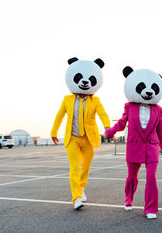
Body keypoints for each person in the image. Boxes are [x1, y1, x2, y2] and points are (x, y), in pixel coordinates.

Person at [104, 66, 162, 219]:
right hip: (134, 146)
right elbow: (121, 123)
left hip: (152, 147)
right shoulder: (129, 106)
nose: (148, 91)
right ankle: (129, 199)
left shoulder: (158, 109)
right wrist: (109, 132)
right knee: (132, 177)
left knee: (152, 177)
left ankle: (151, 208)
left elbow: (161, 130)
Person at [51, 57, 110, 210]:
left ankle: (81, 187)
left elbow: (103, 114)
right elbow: (59, 116)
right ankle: (76, 197)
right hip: (73, 139)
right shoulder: (67, 100)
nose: (84, 82)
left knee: (85, 167)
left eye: (89, 79)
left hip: (88, 140)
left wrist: (108, 127)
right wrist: (54, 132)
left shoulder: (95, 101)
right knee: (74, 167)